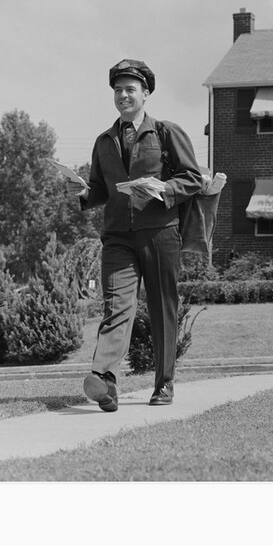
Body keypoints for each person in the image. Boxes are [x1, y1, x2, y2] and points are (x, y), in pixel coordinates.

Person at [66, 59, 203, 411]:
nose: (123, 95)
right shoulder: (104, 141)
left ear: (145, 93)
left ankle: (164, 383)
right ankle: (105, 380)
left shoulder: (167, 133)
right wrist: (82, 192)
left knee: (162, 308)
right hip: (117, 237)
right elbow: (100, 188)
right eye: (117, 90)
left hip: (160, 232)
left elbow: (192, 178)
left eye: (130, 89)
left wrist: (162, 190)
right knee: (117, 307)